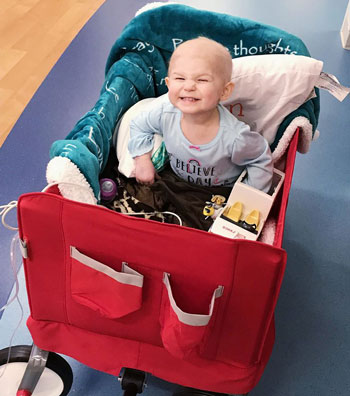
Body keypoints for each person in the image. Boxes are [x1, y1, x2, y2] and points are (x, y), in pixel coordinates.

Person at [128, 37, 273, 193]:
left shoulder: (234, 137)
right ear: (169, 85)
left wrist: (246, 199)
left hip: (219, 192)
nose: (189, 86)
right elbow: (139, 125)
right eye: (180, 78)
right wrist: (142, 160)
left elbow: (260, 160)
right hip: (176, 183)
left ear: (224, 91)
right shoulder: (165, 113)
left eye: (202, 80)